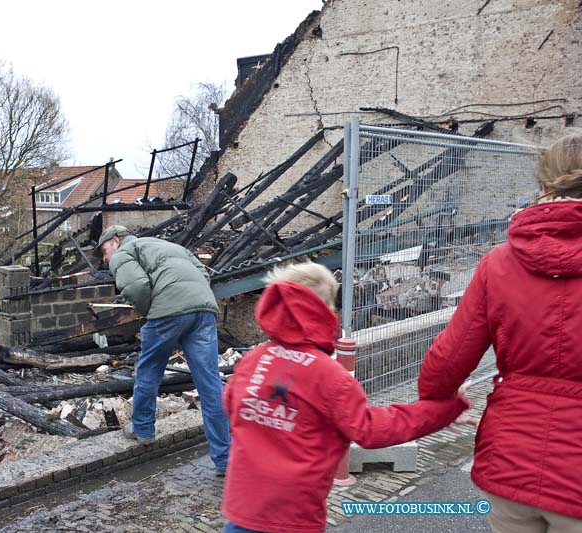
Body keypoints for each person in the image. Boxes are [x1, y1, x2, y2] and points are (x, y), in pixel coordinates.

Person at [221, 261, 473, 533]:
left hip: (243, 507)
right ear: (324, 310)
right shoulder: (329, 375)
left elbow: (231, 405)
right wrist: (443, 410)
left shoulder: (253, 359)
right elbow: (372, 430)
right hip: (292, 514)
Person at [418, 133, 582, 532]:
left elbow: (450, 356)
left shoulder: (499, 263)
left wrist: (440, 399)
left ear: (543, 184)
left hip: (511, 461)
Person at [94, 225, 230, 474]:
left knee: (149, 370)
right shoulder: (172, 247)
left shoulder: (125, 252)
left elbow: (135, 287)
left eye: (104, 251)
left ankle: (143, 429)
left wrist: (149, 313)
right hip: (204, 310)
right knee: (210, 384)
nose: (105, 259)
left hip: (167, 312)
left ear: (115, 241)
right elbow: (203, 274)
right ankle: (224, 460)